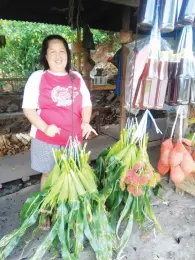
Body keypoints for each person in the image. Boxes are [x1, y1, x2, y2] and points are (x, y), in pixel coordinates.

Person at [22, 35, 96, 227]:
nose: (58, 56)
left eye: (62, 51)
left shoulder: (76, 77)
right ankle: (46, 210)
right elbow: (28, 109)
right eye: (52, 51)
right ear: (45, 56)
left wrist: (86, 122)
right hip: (47, 139)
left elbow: (86, 104)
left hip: (73, 140)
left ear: (68, 54)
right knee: (48, 174)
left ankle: (65, 210)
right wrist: (46, 127)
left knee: (69, 175)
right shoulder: (37, 77)